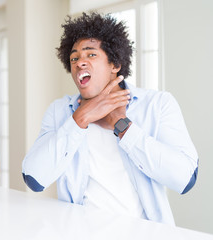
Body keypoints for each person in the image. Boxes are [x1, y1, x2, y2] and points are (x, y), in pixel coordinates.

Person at [21, 12, 198, 225]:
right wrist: (80, 119)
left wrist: (122, 125)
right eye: (74, 58)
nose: (80, 63)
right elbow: (34, 178)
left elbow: (185, 179)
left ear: (114, 64)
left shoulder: (157, 105)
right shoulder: (59, 112)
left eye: (91, 55)